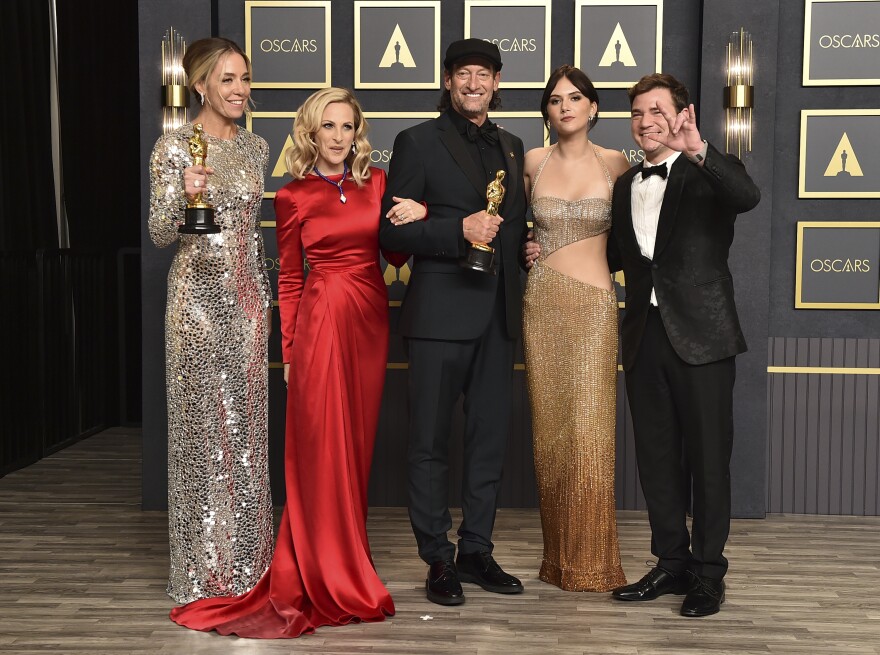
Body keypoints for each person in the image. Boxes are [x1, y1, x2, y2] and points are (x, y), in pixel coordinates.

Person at [169, 87, 422, 638]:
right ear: (310, 132)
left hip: (370, 319)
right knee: (320, 445)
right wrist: (288, 350)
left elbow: (397, 254)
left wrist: (413, 213)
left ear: (357, 133)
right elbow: (288, 276)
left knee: (355, 446)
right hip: (320, 321)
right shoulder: (292, 195)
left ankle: (349, 557)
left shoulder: (377, 183)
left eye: (347, 127)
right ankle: (327, 568)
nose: (337, 137)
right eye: (327, 127)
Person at [379, 38, 528, 606]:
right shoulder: (417, 141)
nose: (474, 83)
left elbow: (507, 225)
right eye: (463, 73)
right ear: (448, 81)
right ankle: (437, 559)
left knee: (489, 440)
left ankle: (476, 550)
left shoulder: (512, 145)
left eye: (484, 74)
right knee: (429, 442)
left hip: (498, 316)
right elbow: (391, 234)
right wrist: (451, 228)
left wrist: (528, 244)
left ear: (496, 82)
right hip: (440, 315)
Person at [607, 73, 760, 616]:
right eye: (637, 113)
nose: (646, 122)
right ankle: (670, 564)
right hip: (644, 339)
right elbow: (617, 260)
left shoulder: (707, 171)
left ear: (682, 114)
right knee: (657, 459)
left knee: (708, 460)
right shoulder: (625, 184)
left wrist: (698, 150)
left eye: (656, 111)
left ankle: (707, 573)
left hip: (704, 337)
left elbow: (748, 196)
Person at [148, 37, 274, 604]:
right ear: (201, 85)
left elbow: (251, 237)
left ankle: (249, 566)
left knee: (245, 436)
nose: (240, 91)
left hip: (246, 305)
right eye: (227, 80)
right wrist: (183, 193)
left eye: (245, 79)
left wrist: (263, 303)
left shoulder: (257, 148)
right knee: (200, 436)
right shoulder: (172, 149)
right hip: (194, 305)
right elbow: (158, 233)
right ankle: (201, 574)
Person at [522, 65, 629, 592]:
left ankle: (592, 562)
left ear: (593, 108)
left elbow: (639, 233)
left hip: (593, 309)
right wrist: (524, 248)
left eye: (575, 97)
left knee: (589, 434)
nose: (564, 106)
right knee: (550, 437)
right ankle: (556, 559)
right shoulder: (531, 163)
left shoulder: (616, 162)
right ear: (547, 110)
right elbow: (505, 228)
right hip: (541, 304)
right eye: (555, 99)